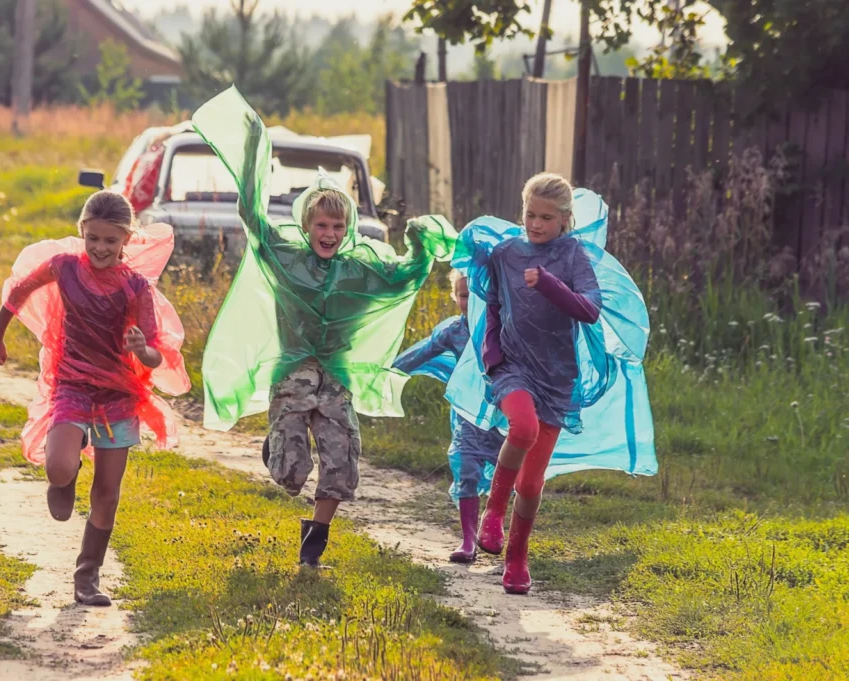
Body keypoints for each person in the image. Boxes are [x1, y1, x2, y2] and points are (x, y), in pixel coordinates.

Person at [191, 86, 457, 568]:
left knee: (342, 463)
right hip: (293, 375)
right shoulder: (285, 258)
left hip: (336, 379)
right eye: (321, 226)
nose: (329, 234)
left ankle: (316, 540)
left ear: (348, 227)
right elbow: (251, 216)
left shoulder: (363, 268)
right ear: (307, 225)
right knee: (289, 474)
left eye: (338, 227)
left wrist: (421, 242)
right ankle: (276, 446)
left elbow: (406, 276)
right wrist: (254, 149)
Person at [447, 173, 656, 595]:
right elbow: (491, 304)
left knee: (531, 482)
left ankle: (517, 559)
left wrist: (549, 283)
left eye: (546, 217)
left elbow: (590, 310)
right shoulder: (507, 253)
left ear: (565, 219)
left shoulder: (574, 256)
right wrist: (492, 357)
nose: (536, 224)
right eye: (529, 215)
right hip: (512, 368)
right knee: (521, 428)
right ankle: (492, 515)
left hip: (557, 379)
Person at [0, 190, 190, 605]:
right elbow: (19, 290)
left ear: (125, 240)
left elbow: (154, 354)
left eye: (110, 241)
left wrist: (139, 348)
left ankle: (87, 576)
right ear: (82, 232)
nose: (100, 248)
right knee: (59, 468)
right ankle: (67, 473)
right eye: (93, 238)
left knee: (108, 493)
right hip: (72, 385)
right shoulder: (63, 268)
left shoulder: (136, 289)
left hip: (118, 394)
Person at [393, 270, 505, 563]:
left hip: (505, 419)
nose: (470, 300)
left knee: (507, 477)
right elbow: (423, 351)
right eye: (464, 295)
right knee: (465, 469)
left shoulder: (506, 328)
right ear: (455, 298)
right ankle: (468, 540)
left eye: (477, 294)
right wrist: (389, 371)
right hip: (468, 419)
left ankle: (495, 527)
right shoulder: (454, 331)